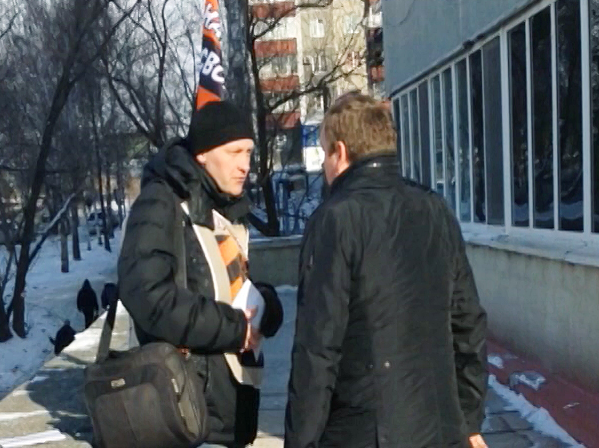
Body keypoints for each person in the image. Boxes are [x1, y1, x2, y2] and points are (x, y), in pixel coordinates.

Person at [285, 92, 488, 448]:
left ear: (340, 152)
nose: (325, 168)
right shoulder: (435, 210)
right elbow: (467, 323)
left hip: (363, 432)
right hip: (440, 429)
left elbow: (317, 349)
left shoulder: (336, 220)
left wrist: (301, 441)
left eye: (325, 153)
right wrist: (469, 419)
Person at [118, 98, 283, 448]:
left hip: (230, 402)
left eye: (249, 153)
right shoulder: (161, 203)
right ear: (203, 154)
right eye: (234, 152)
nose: (245, 165)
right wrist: (234, 328)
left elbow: (220, 286)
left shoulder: (225, 207)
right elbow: (147, 295)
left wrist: (265, 306)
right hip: (186, 405)